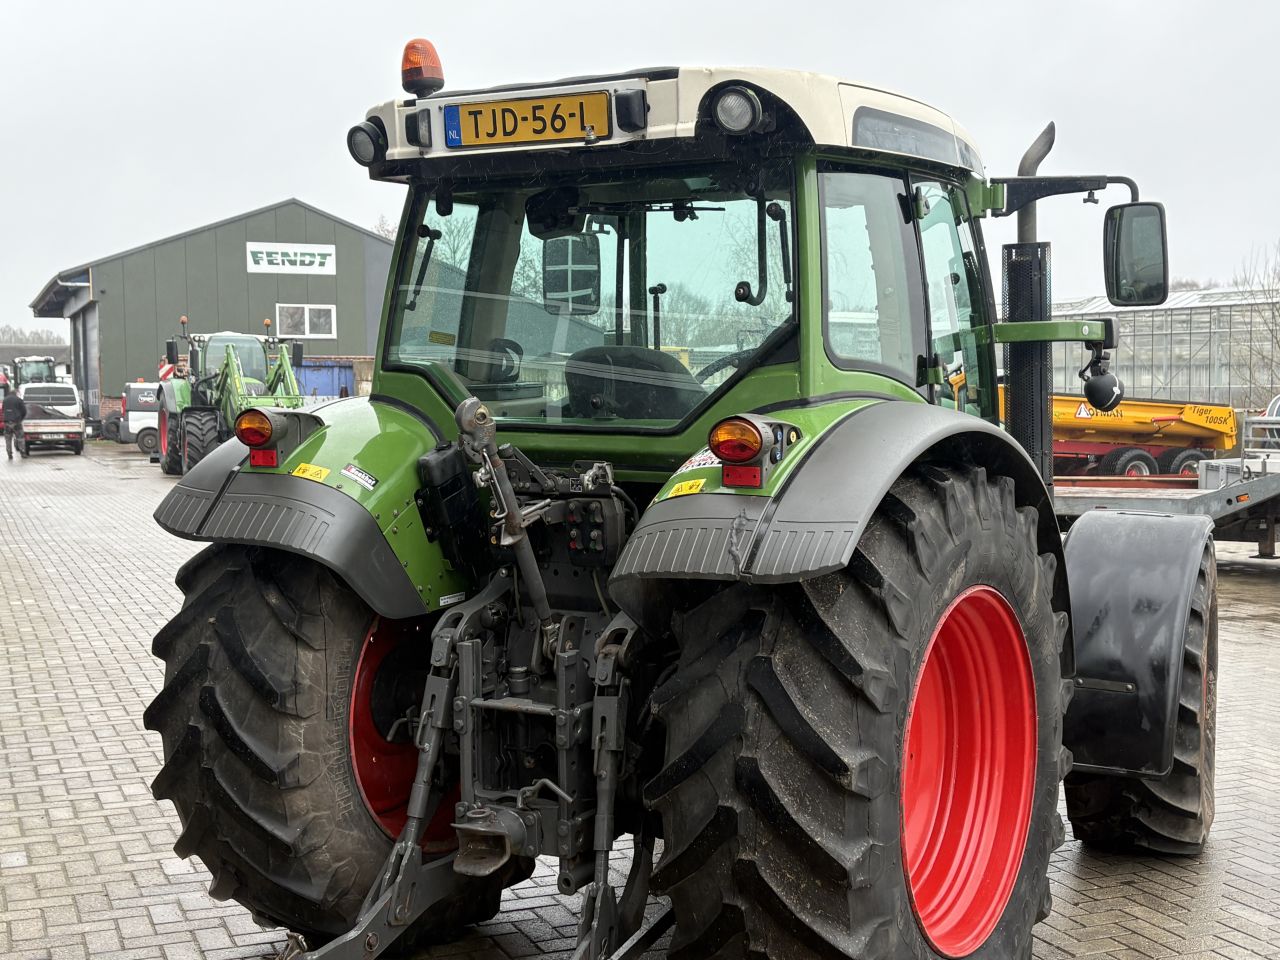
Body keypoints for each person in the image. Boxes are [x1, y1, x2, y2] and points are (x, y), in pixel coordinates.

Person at [3, 388, 27, 460]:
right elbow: (24, 411)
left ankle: (9, 454)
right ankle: (23, 453)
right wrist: (21, 418)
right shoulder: (18, 400)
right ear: (16, 393)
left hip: (7, 422)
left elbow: (3, 410)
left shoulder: (5, 400)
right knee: (20, 438)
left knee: (8, 438)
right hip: (17, 421)